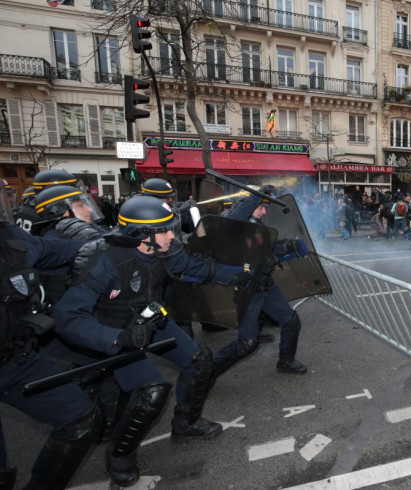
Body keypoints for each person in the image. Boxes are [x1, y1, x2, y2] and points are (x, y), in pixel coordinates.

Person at [54, 196, 246, 487]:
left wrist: (242, 275)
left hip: (151, 320)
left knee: (199, 360)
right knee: (152, 392)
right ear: (141, 234)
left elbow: (195, 267)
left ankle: (186, 424)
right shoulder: (104, 259)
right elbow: (68, 318)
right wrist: (117, 338)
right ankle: (120, 454)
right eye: (165, 230)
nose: (172, 235)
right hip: (116, 334)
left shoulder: (163, 251)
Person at [0, 182, 103, 490]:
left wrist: (109, 243)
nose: (7, 197)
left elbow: (52, 250)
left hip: (14, 358)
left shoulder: (8, 236)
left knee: (81, 416)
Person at [214, 193, 308, 378]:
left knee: (290, 321)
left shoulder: (259, 227)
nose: (264, 211)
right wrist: (254, 196)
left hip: (266, 285)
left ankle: (286, 361)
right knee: (247, 342)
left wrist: (287, 247)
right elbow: (234, 221)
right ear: (248, 207)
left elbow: (267, 250)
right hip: (249, 290)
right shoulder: (234, 226)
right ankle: (208, 371)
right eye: (260, 207)